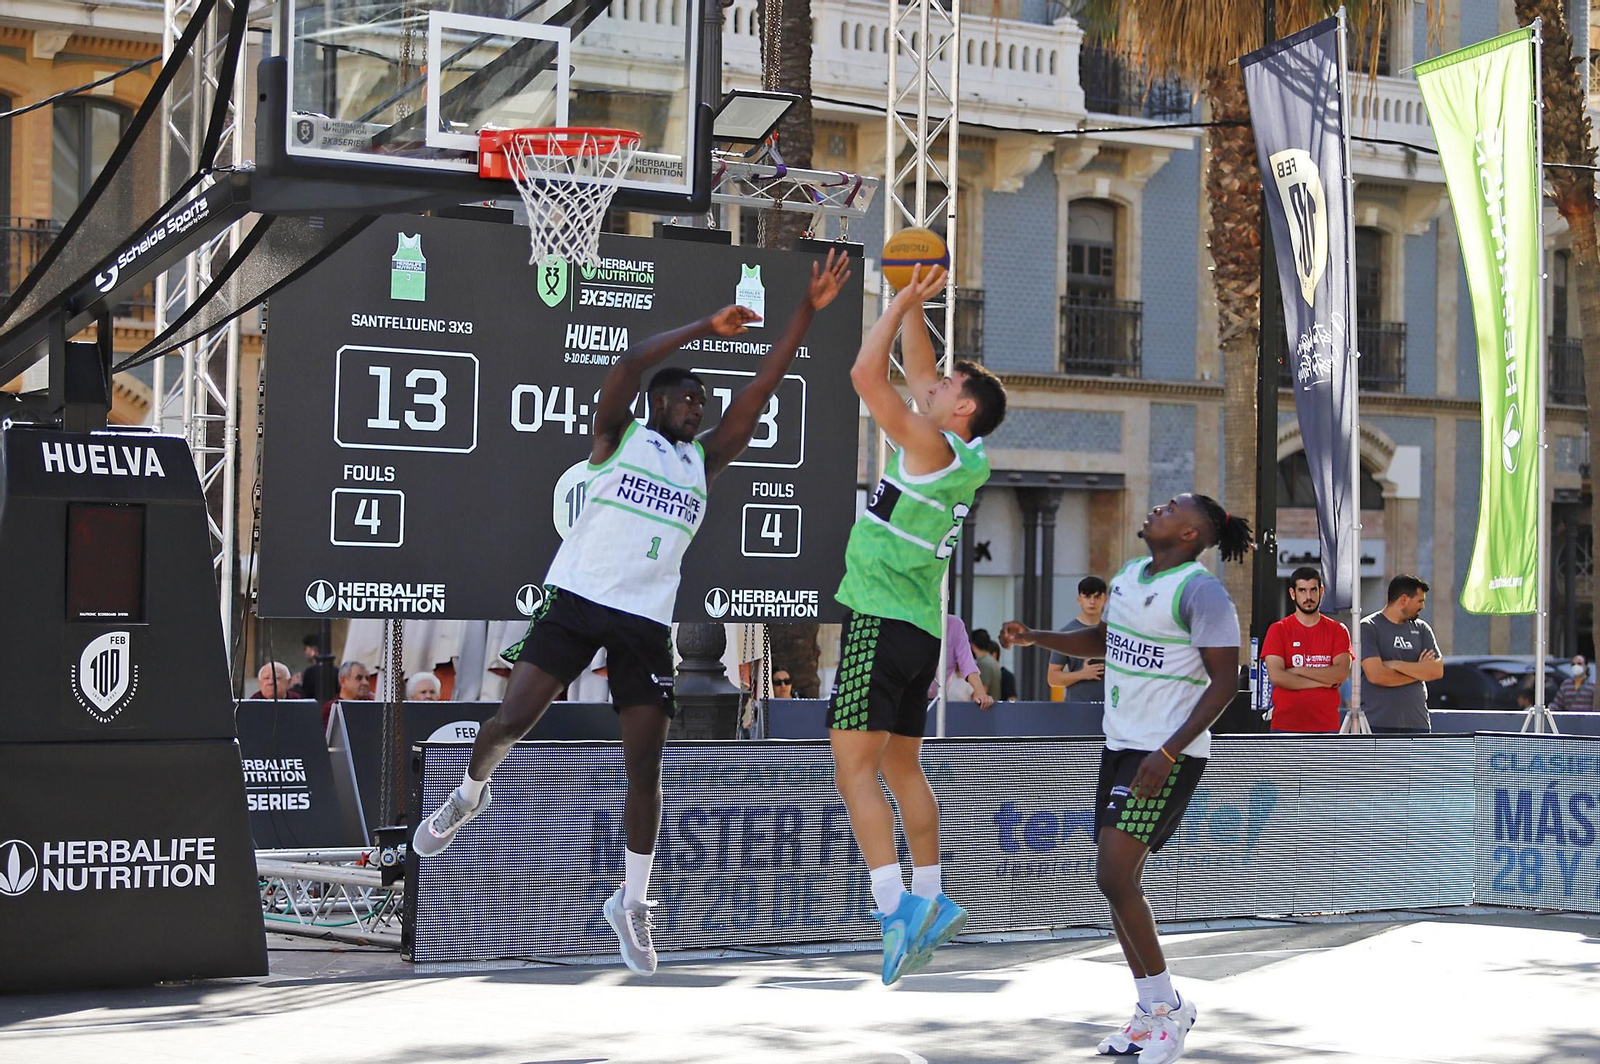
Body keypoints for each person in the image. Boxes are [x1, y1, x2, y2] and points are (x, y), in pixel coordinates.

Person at [412, 250, 852, 978]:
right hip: (578, 599)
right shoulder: (617, 439)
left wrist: (806, 310)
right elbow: (627, 362)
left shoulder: (701, 462)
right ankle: (469, 793)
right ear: (658, 403)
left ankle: (633, 901)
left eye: (703, 403)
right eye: (688, 400)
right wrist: (705, 326)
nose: (699, 408)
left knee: (645, 764)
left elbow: (761, 390)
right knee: (511, 722)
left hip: (644, 621)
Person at [1000, 493, 1253, 1064]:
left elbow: (1225, 683)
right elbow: (1103, 641)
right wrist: (1038, 636)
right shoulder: (1129, 576)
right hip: (1120, 746)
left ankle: (1169, 1008)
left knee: (1114, 875)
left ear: (1190, 534)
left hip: (1165, 754)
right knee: (1118, 882)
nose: (1157, 509)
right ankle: (1150, 1010)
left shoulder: (1201, 592)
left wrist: (1167, 751)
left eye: (1171, 508)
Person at [826, 264, 1007, 985]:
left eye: (944, 387)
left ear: (961, 408)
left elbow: (863, 376)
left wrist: (896, 295)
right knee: (902, 767)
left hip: (878, 621)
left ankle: (893, 907)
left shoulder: (927, 446)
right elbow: (920, 371)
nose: (928, 387)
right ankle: (932, 897)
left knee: (853, 771)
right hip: (921, 634)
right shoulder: (965, 453)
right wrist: (913, 310)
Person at [1261, 567, 1352, 733]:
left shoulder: (1338, 630)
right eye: (1302, 590)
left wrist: (1298, 670)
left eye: (1313, 590)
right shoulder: (1278, 630)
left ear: (1321, 592)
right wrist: (1322, 682)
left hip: (1326, 727)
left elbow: (1341, 674)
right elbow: (1277, 676)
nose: (1308, 596)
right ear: (1292, 593)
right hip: (1285, 726)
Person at [1359, 574, 1442, 734]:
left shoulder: (1422, 629)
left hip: (1417, 725)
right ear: (1404, 599)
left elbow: (1436, 671)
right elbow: (1376, 676)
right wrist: (1419, 672)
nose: (1423, 606)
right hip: (1377, 725)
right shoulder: (1369, 627)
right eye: (1420, 601)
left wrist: (1396, 665)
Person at [1047, 576, 1107, 704]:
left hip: (1112, 707)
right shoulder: (1066, 633)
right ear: (1079, 599)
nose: (1092, 602)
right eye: (1087, 597)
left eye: (1097, 597)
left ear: (1105, 600)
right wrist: (1083, 674)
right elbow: (1052, 678)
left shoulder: (1115, 631)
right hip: (1077, 706)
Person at [927, 614, 994, 709]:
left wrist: (980, 692)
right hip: (909, 694)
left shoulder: (955, 625)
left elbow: (967, 662)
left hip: (938, 699)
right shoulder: (912, 619)